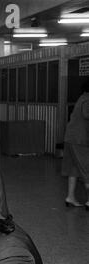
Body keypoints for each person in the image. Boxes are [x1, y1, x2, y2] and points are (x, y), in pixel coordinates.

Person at [62, 79, 89, 210]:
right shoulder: (87, 99)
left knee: (73, 168)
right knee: (86, 167)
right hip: (80, 139)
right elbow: (87, 114)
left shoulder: (82, 97)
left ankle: (70, 197)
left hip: (70, 137)